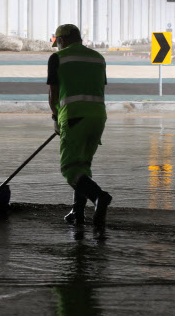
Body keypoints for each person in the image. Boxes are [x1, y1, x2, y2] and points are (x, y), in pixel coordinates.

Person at [47, 24, 112, 227]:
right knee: (82, 165)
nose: (57, 45)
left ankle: (99, 196)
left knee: (69, 168)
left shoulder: (58, 58)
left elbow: (53, 95)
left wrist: (56, 119)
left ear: (61, 40)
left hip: (73, 117)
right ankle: (78, 211)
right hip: (98, 117)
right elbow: (98, 87)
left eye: (57, 41)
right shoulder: (98, 58)